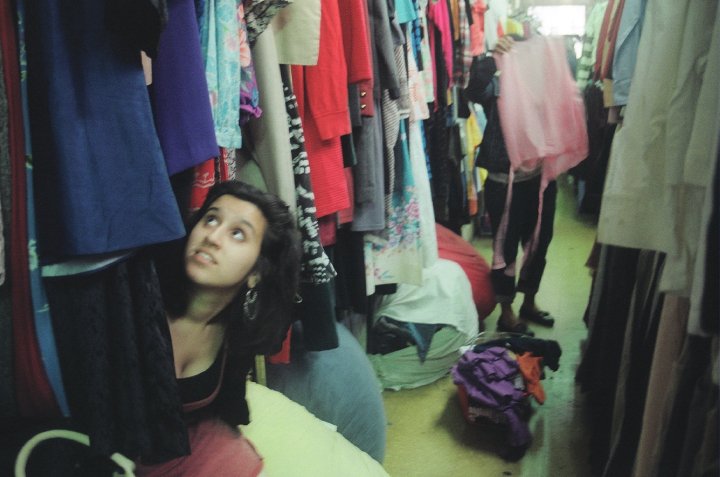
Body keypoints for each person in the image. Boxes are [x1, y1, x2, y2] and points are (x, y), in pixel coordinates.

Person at [136, 180, 302, 476]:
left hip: (166, 452)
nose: (212, 237)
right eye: (211, 219)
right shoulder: (140, 297)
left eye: (237, 234)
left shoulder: (234, 337)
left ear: (255, 273)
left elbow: (229, 404)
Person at [464, 36, 557, 336]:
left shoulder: (546, 87)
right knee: (505, 247)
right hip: (505, 182)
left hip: (541, 180)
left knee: (539, 243)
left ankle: (529, 301)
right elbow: (474, 90)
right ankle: (506, 312)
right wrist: (493, 58)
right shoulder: (498, 85)